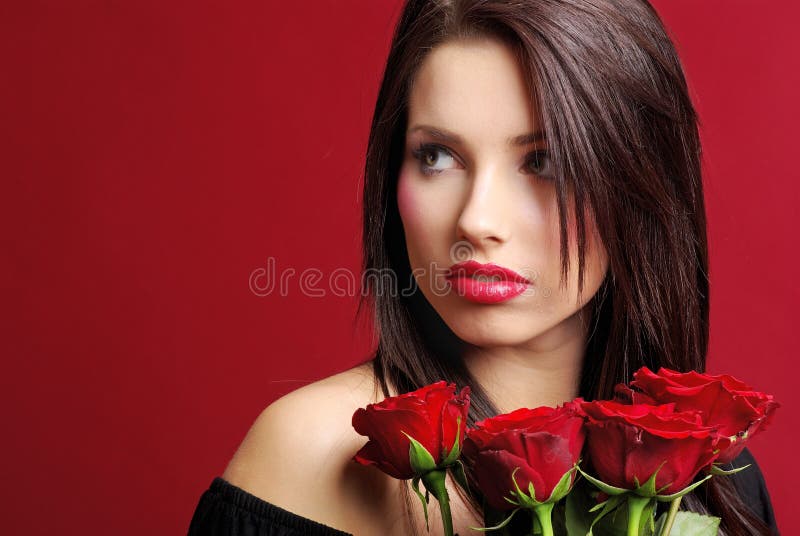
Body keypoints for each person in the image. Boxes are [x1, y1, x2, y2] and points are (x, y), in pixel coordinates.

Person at [188, 0, 778, 534]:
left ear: (641, 186)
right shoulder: (311, 457)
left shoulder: (710, 481)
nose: (476, 220)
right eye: (437, 156)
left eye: (544, 160)